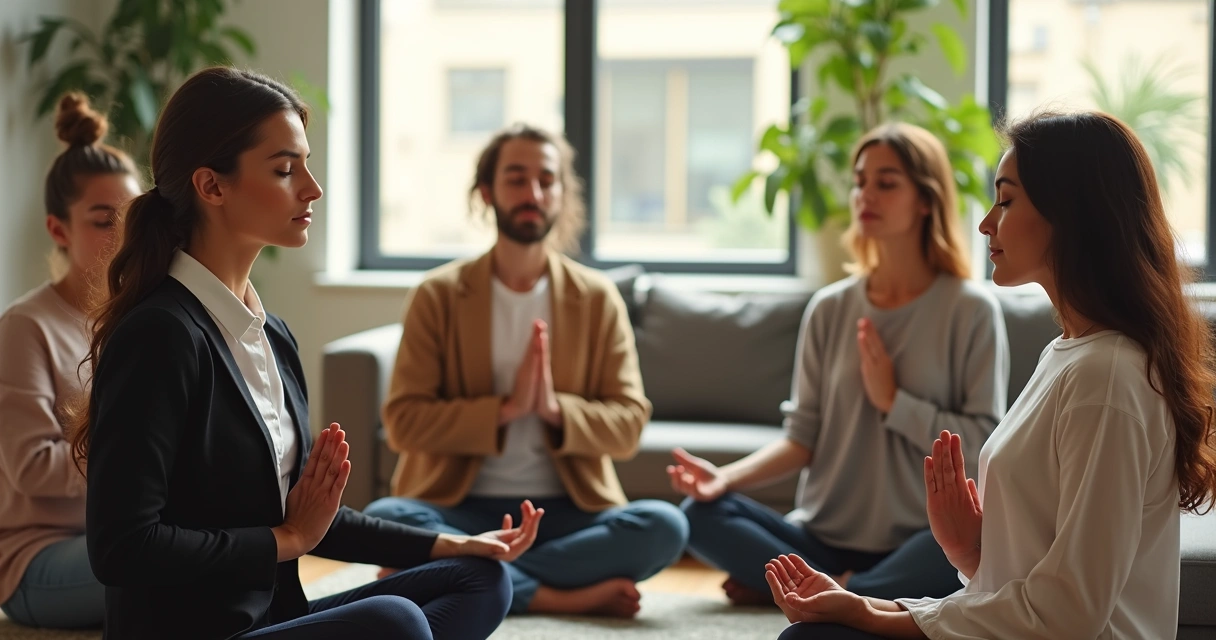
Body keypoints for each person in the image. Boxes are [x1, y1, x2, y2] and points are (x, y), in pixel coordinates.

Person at [75, 67, 543, 640]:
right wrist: (287, 540)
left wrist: (448, 542)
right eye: (284, 169)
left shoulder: (273, 335)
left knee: (480, 577)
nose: (312, 188)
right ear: (212, 186)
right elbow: (122, 548)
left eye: (306, 164)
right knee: (394, 623)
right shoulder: (160, 336)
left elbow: (308, 515)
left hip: (277, 617)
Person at [766, 111, 1216, 639]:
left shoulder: (1107, 377)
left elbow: (1070, 613)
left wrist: (875, 611)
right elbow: (1042, 584)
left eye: (1006, 200)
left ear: (1069, 213)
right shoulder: (1068, 354)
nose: (986, 222)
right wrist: (970, 551)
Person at [671, 122, 1009, 605]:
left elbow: (979, 444)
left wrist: (893, 401)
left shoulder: (972, 311)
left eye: (886, 182)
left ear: (926, 200)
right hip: (819, 538)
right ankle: (844, 592)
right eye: (859, 181)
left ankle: (833, 593)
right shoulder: (829, 309)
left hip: (921, 540)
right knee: (699, 515)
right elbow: (799, 440)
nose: (864, 194)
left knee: (979, 544)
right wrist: (722, 478)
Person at [363, 123, 689, 618]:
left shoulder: (597, 298)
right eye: (516, 179)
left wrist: (555, 411)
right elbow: (405, 421)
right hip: (460, 505)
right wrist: (506, 409)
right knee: (386, 517)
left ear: (562, 193)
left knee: (666, 525)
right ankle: (557, 594)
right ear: (487, 191)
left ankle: (475, 574)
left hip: (569, 510)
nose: (533, 193)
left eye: (547, 180)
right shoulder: (439, 294)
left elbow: (627, 425)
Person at [0, 93, 140, 629]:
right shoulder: (25, 326)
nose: (123, 236)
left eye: (132, 218)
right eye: (104, 221)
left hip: (121, 531)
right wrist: (136, 466)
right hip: (38, 557)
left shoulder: (141, 317)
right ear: (59, 230)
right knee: (180, 567)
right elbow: (32, 465)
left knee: (228, 549)